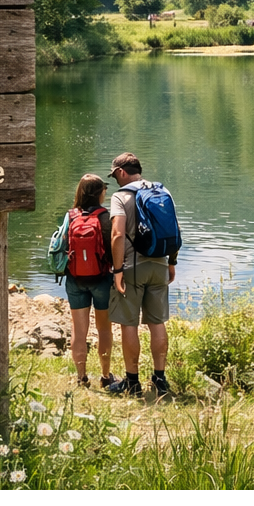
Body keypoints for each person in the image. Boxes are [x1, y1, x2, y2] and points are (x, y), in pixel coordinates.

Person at [106, 152, 178, 398]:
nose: (115, 180)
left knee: (129, 323)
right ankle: (160, 380)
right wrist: (171, 262)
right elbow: (174, 229)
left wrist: (117, 270)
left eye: (115, 175)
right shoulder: (163, 191)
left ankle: (132, 382)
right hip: (160, 264)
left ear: (122, 172)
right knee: (157, 323)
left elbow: (117, 234)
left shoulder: (121, 196)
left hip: (132, 268)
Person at [63, 174, 115, 389]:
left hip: (75, 279)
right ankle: (105, 376)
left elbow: (61, 246)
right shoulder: (105, 217)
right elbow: (112, 248)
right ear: (99, 193)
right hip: (101, 279)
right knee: (104, 330)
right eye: (104, 189)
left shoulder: (70, 216)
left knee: (79, 330)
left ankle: (81, 377)